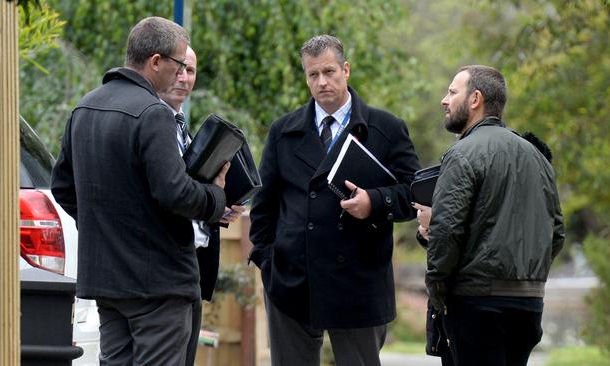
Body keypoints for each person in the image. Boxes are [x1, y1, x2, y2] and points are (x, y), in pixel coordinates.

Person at [51, 17, 230, 366]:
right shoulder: (153, 114)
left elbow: (62, 186)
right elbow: (175, 193)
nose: (182, 74)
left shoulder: (85, 107)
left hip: (106, 279)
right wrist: (216, 196)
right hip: (159, 283)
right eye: (179, 64)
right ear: (156, 62)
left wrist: (107, 228)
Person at [248, 34, 420, 366]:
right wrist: (267, 261)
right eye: (313, 75)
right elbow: (264, 206)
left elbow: (414, 194)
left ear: (346, 70)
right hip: (291, 282)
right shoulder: (283, 132)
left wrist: (373, 201)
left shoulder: (385, 128)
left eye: (329, 72)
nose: (322, 82)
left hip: (358, 282)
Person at [418, 65, 565, 366]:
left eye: (452, 92)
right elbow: (557, 231)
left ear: (475, 99)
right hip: (528, 304)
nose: (444, 100)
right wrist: (527, 276)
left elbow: (447, 231)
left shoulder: (462, 154)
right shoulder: (537, 157)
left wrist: (438, 290)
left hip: (477, 304)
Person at [158, 45, 245, 365]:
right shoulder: (153, 125)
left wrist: (217, 207)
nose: (183, 78)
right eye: (178, 69)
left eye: (191, 71)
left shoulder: (183, 127)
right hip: (163, 268)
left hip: (194, 267)